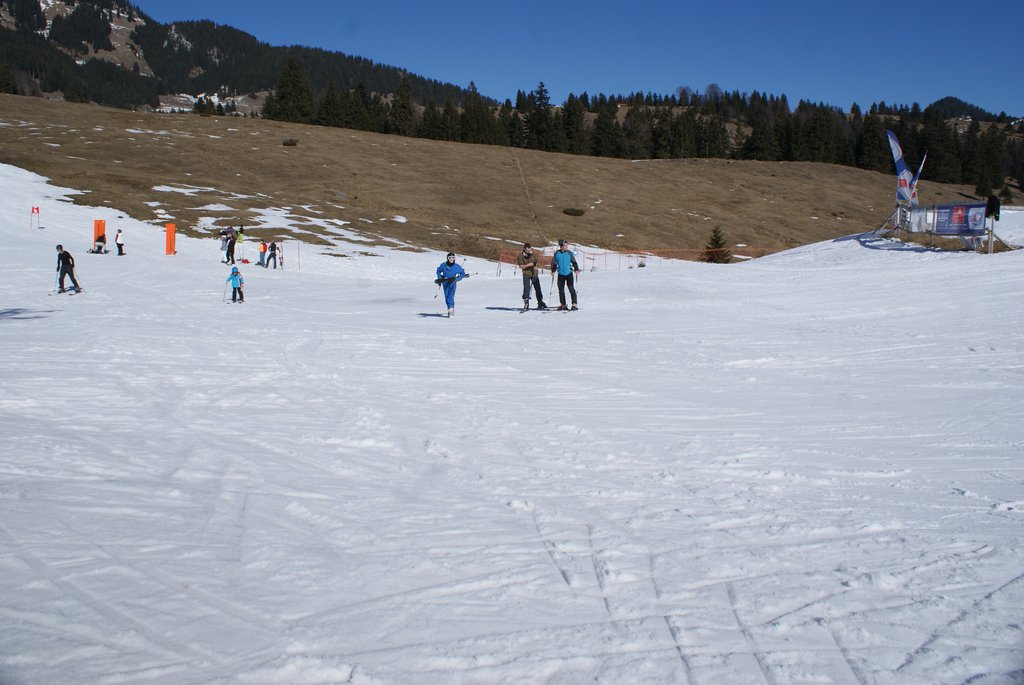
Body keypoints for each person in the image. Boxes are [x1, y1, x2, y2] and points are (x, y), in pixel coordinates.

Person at [550, 239, 580, 311]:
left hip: (569, 273)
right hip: (561, 274)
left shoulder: (569, 253)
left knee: (571, 288)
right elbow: (554, 263)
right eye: (565, 245)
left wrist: (576, 269)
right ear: (561, 246)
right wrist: (553, 270)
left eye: (567, 245)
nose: (567, 247)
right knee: (561, 290)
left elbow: (574, 261)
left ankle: (574, 304)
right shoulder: (557, 253)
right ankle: (563, 304)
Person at [516, 243, 547, 311]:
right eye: (527, 249)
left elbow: (536, 263)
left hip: (534, 273)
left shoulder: (534, 254)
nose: (529, 250)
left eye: (530, 249)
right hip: (526, 274)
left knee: (538, 288)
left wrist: (534, 265)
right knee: (526, 289)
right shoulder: (521, 256)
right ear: (524, 249)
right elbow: (521, 266)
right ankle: (526, 303)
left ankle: (540, 302)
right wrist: (528, 265)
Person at [435, 252, 466, 317]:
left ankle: (451, 309)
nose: (451, 259)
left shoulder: (457, 266)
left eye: (453, 257)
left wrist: (457, 279)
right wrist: (440, 278)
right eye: (450, 258)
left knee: (450, 296)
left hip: (452, 283)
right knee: (447, 297)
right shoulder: (443, 265)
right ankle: (450, 308)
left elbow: (462, 273)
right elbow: (438, 271)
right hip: (445, 283)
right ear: (447, 258)